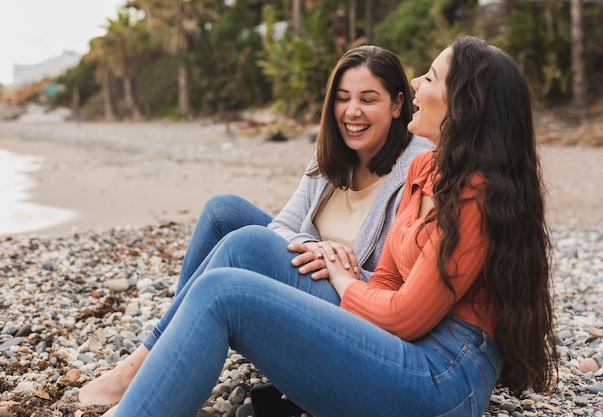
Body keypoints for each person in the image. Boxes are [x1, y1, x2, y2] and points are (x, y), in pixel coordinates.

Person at [104, 35, 559, 417]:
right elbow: (386, 279)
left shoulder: (472, 195)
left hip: (443, 375)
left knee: (222, 292)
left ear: (464, 104)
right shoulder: (428, 168)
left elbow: (404, 316)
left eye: (431, 77)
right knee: (238, 248)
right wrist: (323, 327)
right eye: (343, 99)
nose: (418, 81)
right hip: (399, 340)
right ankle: (148, 369)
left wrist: (341, 277)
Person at [79, 45, 433, 406]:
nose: (352, 112)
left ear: (397, 104)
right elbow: (281, 227)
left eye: (368, 99)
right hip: (310, 266)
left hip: (351, 299)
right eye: (343, 98)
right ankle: (171, 346)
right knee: (223, 212)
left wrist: (336, 268)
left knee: (245, 245)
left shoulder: (417, 168)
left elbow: (402, 286)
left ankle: (140, 368)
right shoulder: (332, 154)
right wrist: (315, 248)